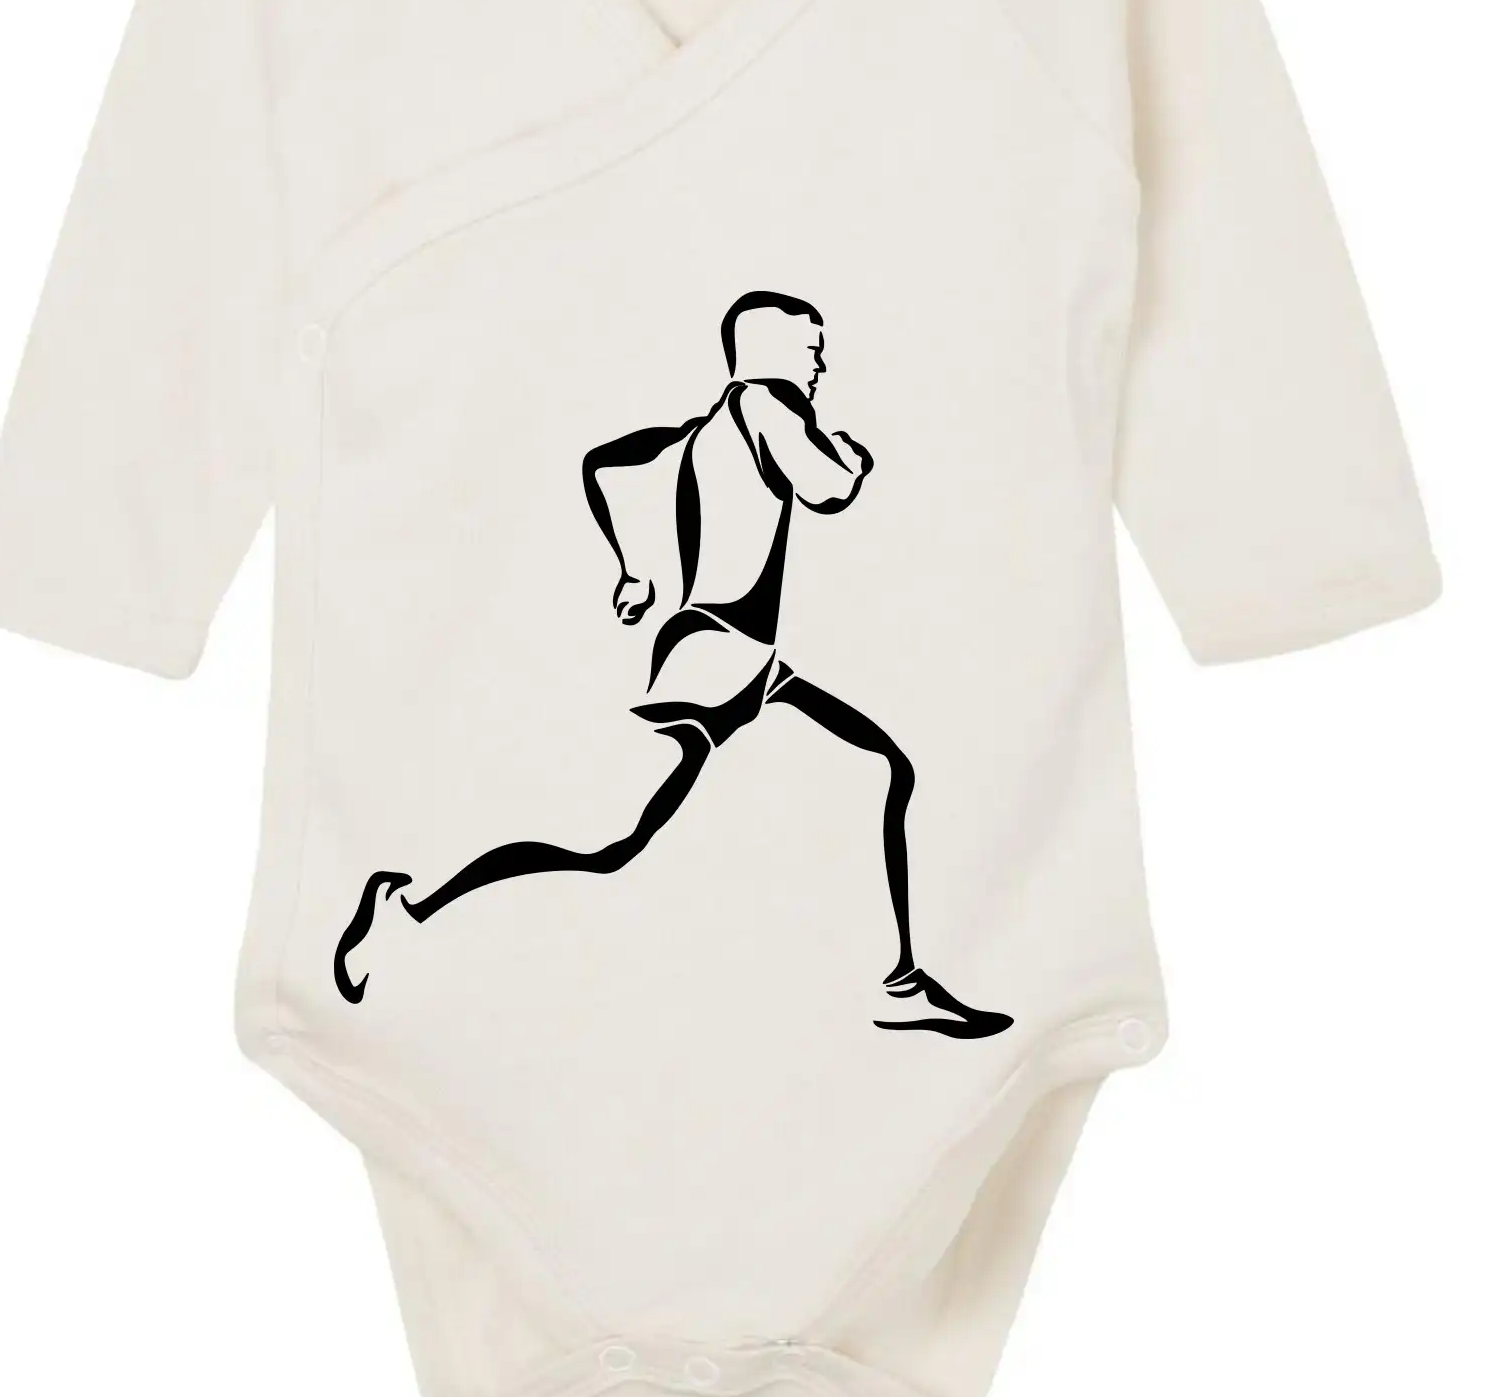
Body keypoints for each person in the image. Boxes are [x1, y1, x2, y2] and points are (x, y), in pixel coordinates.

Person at [334, 291, 1012, 1038]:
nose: (820, 364)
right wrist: (852, 455)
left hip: (741, 656)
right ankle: (406, 907)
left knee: (877, 768)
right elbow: (828, 487)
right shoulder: (767, 403)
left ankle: (900, 981)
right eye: (811, 347)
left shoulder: (703, 432)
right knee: (608, 841)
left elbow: (605, 465)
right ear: (770, 351)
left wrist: (634, 567)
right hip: (718, 658)